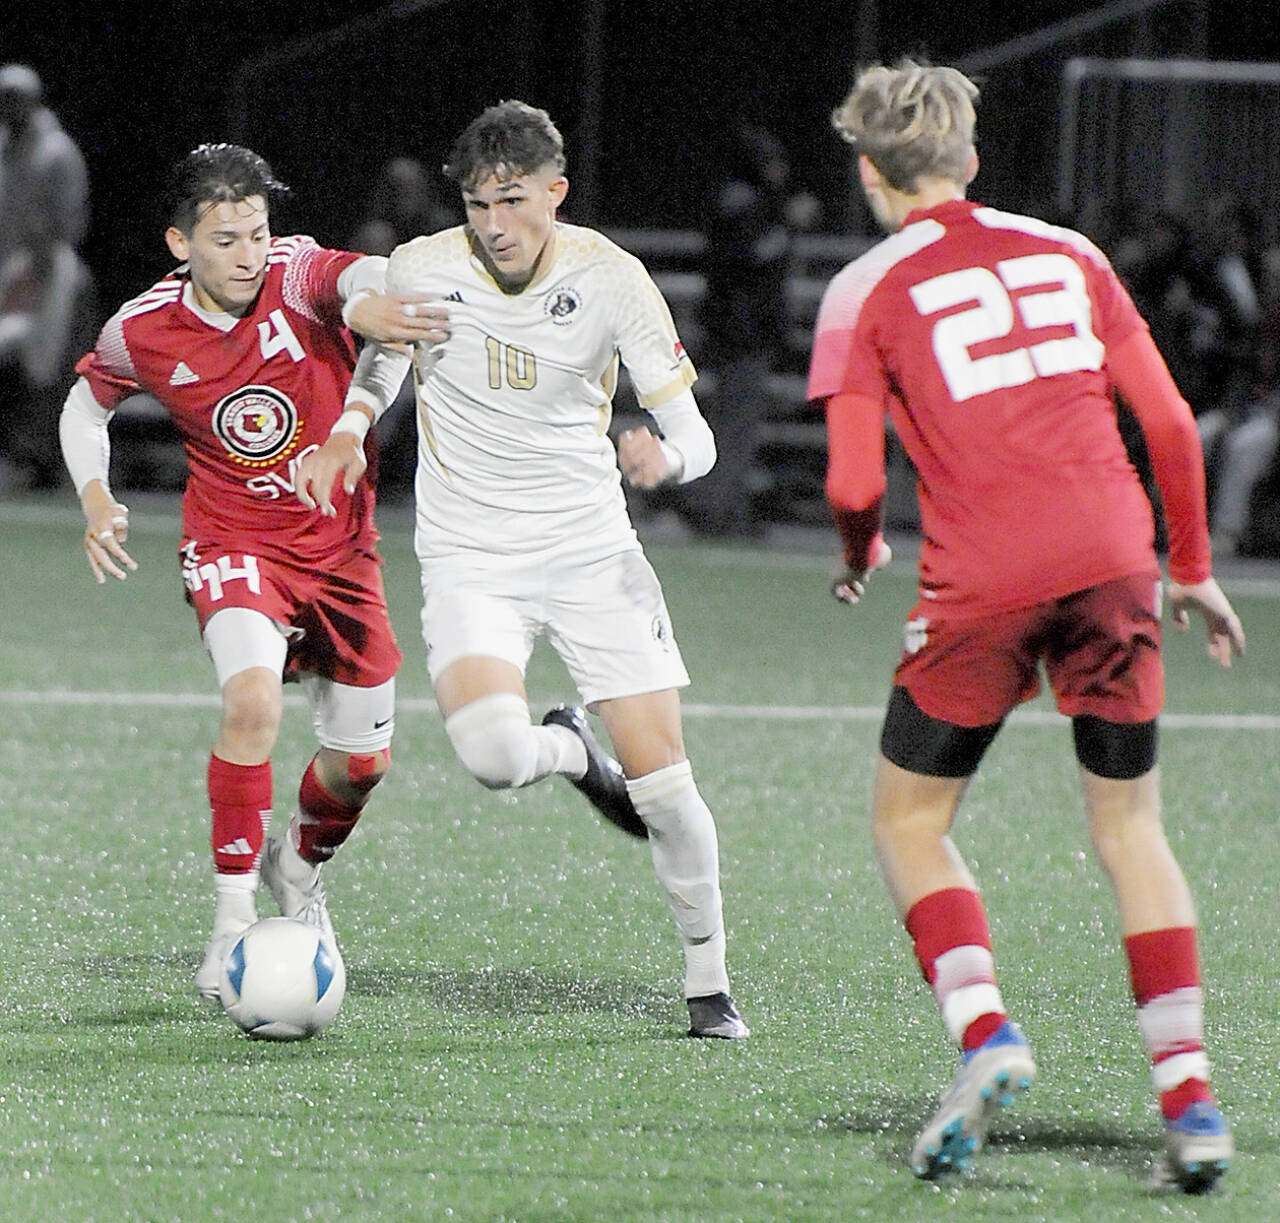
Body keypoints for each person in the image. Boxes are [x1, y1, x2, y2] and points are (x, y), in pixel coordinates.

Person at [807, 61, 1245, 1190]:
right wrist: (1187, 566)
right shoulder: (1072, 255)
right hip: (1113, 561)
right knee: (1129, 829)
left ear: (868, 171)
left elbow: (855, 482)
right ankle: (1190, 1107)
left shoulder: (863, 288)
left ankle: (986, 1030)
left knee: (909, 817)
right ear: (970, 159)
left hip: (984, 579)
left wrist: (861, 555)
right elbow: (1168, 421)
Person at [296, 101, 748, 1040]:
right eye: (476, 204)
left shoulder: (613, 279)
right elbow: (386, 362)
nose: (493, 225)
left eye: (511, 201)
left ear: (556, 192)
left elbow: (696, 435)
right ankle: (575, 751)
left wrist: (667, 462)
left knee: (667, 789)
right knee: (497, 759)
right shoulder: (425, 266)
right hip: (469, 559)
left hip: (590, 552)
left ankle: (709, 986)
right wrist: (347, 430)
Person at [58, 143, 449, 1000]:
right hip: (234, 541)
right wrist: (96, 497)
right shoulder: (143, 328)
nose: (247, 254)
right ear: (179, 243)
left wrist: (370, 340)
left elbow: (359, 282)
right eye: (226, 238)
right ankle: (231, 922)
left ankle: (297, 866)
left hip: (340, 553)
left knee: (362, 764)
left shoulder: (296, 270)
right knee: (252, 700)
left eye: (257, 233)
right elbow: (87, 403)